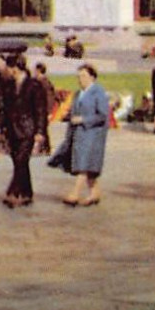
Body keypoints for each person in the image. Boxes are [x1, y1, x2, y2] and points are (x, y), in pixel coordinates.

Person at [0, 56, 48, 207]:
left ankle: (13, 192)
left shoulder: (34, 85)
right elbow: (4, 109)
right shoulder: (8, 86)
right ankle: (27, 193)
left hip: (28, 128)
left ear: (14, 68)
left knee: (21, 160)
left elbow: (40, 110)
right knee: (19, 162)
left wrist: (40, 131)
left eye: (8, 67)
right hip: (12, 129)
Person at [61, 64, 109, 206]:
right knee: (88, 164)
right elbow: (75, 111)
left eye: (83, 76)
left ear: (92, 77)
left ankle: (75, 194)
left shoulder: (98, 92)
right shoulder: (78, 93)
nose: (80, 79)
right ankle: (95, 193)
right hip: (79, 134)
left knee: (83, 165)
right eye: (78, 76)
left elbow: (102, 115)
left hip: (93, 134)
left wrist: (83, 120)